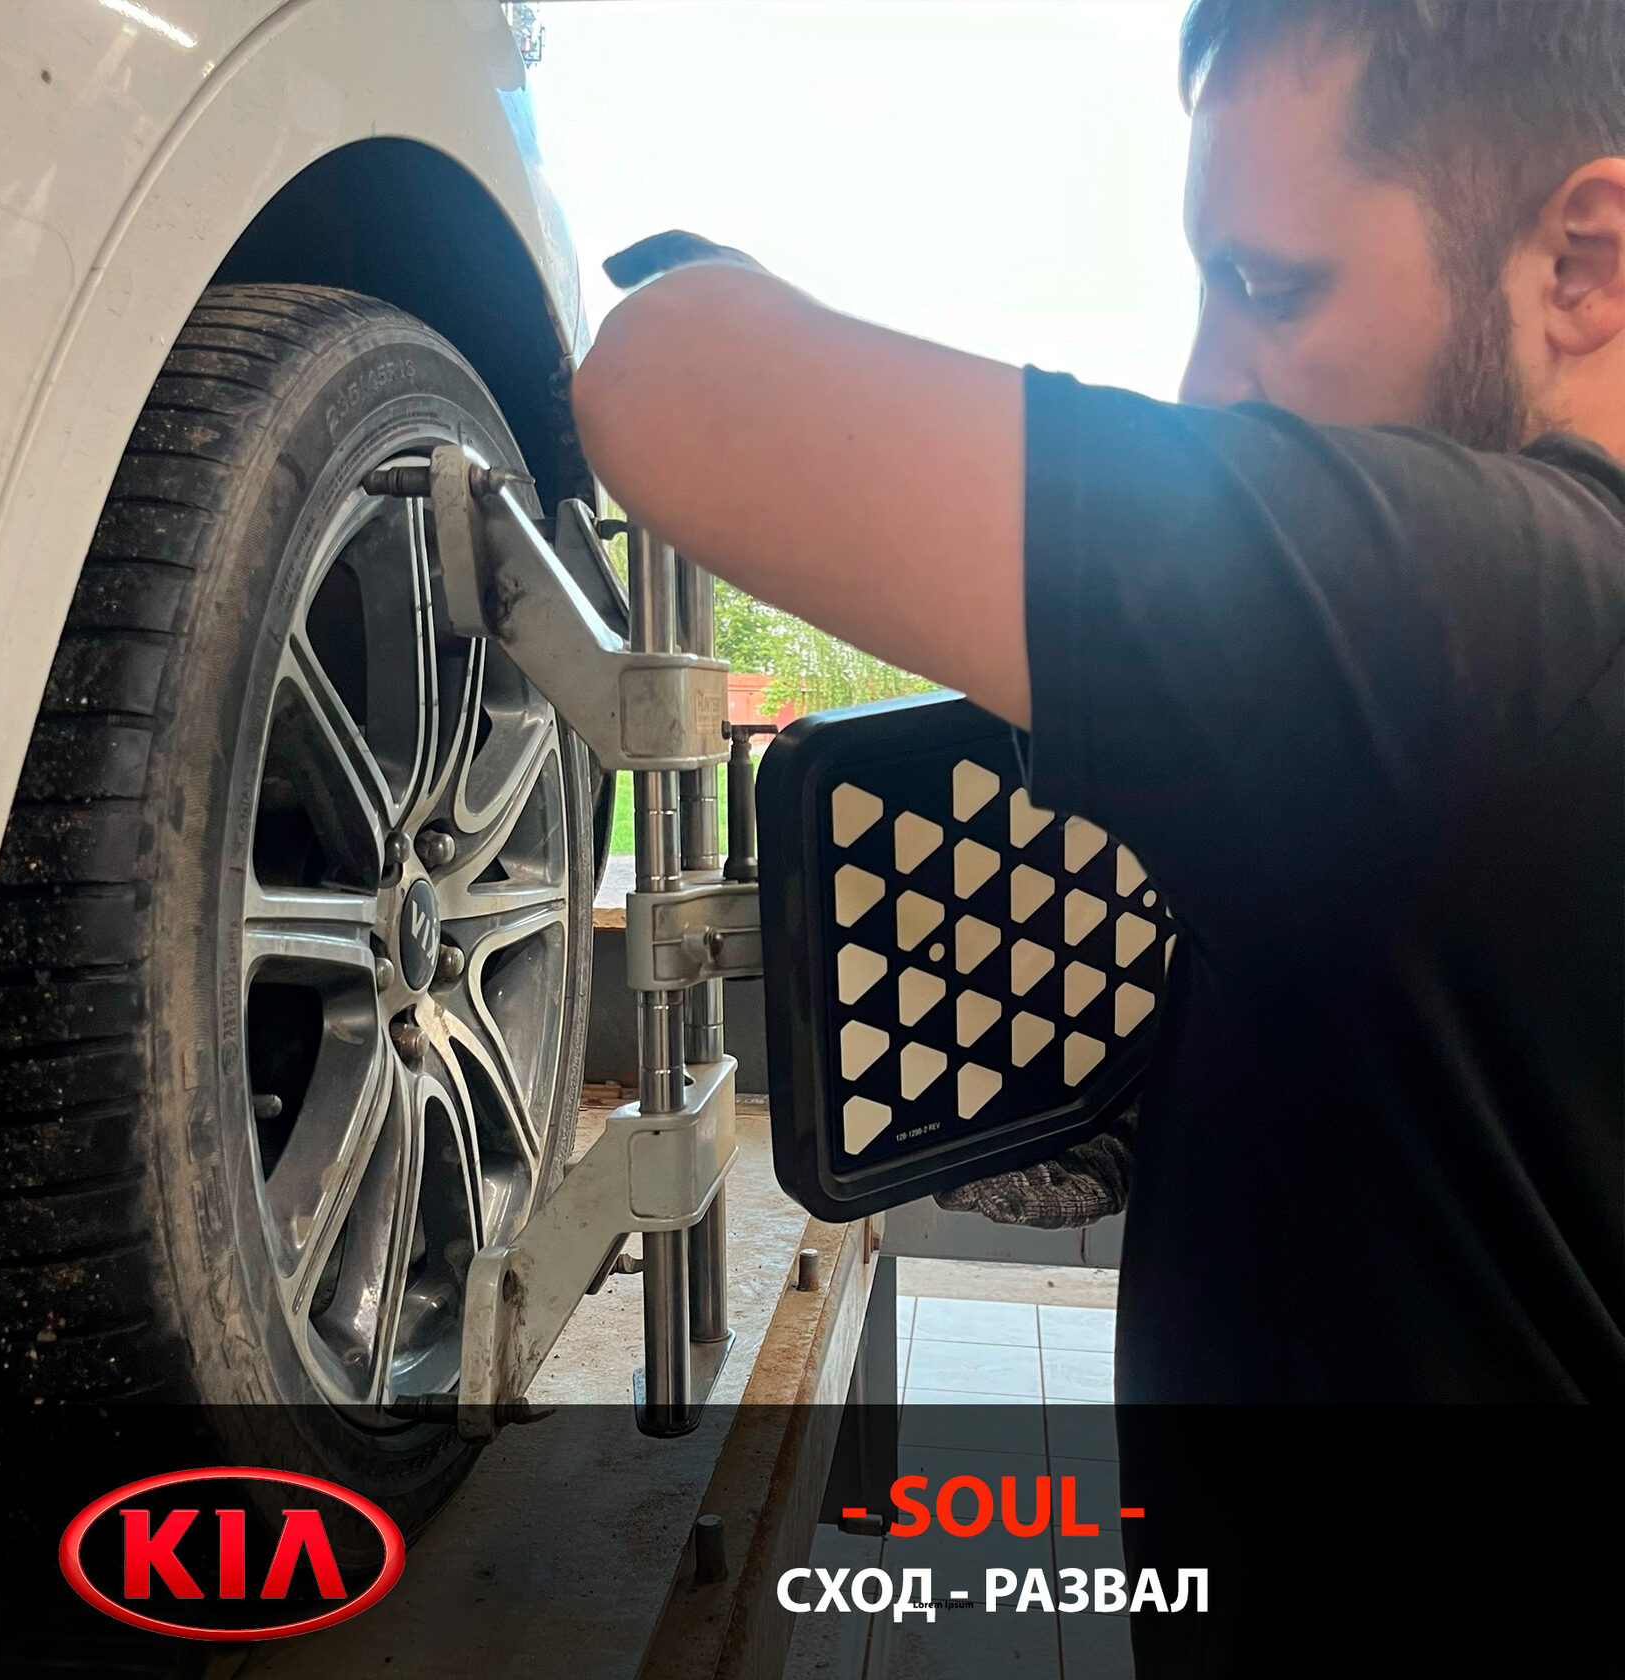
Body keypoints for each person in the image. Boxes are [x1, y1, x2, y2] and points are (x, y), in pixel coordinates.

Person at [572, 3, 1623, 1673]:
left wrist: (731, 292)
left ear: (1583, 263)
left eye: (1272, 286)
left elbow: (669, 381)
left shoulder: (1494, 618)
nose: (1209, 380)